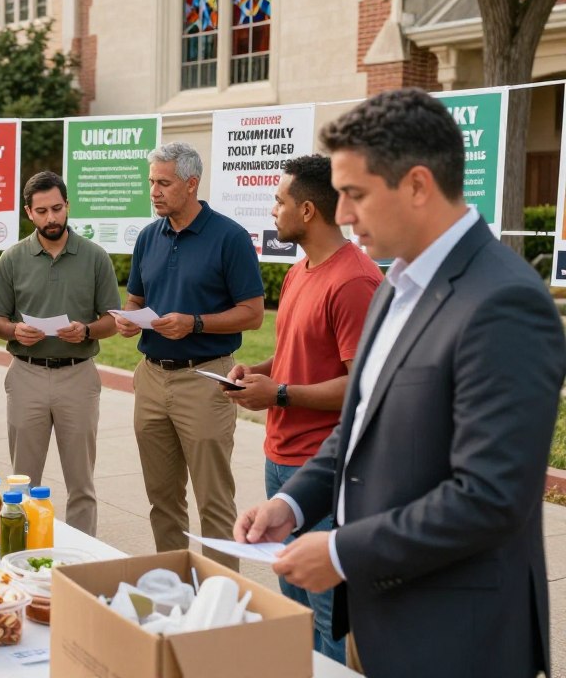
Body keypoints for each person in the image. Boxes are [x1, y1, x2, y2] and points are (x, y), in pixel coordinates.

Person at [235, 89, 566, 678]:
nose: (341, 215)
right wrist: (293, 502)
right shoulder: (396, 283)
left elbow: (490, 496)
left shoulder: (505, 302)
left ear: (417, 185)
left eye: (356, 195)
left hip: (455, 636)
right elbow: (358, 428)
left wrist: (340, 550)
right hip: (377, 613)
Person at [224, 153, 382, 663]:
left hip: (321, 468)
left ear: (309, 211)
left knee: (326, 614)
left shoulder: (354, 280)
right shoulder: (298, 273)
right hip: (278, 461)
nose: (273, 210)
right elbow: (296, 353)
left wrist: (282, 394)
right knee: (291, 608)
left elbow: (363, 384)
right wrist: (258, 371)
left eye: (280, 201)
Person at [114, 142, 264, 569]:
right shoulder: (148, 236)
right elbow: (135, 300)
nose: (154, 192)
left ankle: (219, 594)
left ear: (191, 183)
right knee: (162, 499)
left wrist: (194, 323)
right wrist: (129, 320)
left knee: (213, 501)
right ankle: (174, 588)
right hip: (151, 377)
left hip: (206, 379)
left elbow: (252, 315)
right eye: (151, 183)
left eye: (164, 183)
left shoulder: (229, 237)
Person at [0, 171, 121, 535]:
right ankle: (24, 550)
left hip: (78, 375)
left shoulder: (95, 257)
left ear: (68, 207)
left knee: (81, 482)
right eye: (42, 211)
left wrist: (87, 330)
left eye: (58, 209)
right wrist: (15, 330)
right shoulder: (12, 258)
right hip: (26, 373)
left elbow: (112, 318)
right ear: (29, 213)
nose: (52, 218)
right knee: (22, 481)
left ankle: (81, 557)